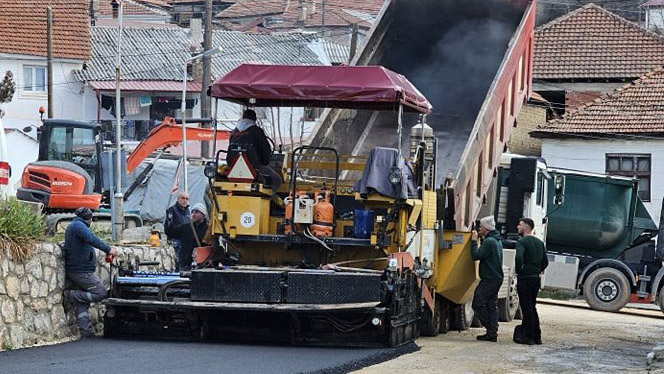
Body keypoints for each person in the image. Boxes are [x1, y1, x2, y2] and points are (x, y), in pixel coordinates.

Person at [63, 207, 117, 338]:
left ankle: (86, 332)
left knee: (83, 302)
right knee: (100, 293)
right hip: (81, 271)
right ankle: (71, 295)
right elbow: (92, 239)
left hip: (80, 269)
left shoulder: (76, 225)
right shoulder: (78, 226)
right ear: (89, 218)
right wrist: (108, 249)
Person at [227, 109, 281, 193]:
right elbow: (265, 149)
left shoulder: (234, 132)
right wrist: (265, 162)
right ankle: (269, 201)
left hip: (234, 168)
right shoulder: (257, 131)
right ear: (254, 119)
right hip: (253, 167)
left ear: (243, 117)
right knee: (277, 180)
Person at [514, 217, 549, 345]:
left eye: (520, 225)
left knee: (526, 308)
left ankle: (528, 337)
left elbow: (518, 258)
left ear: (526, 227)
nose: (518, 227)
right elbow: (545, 262)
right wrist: (538, 270)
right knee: (532, 307)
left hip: (525, 278)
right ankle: (537, 336)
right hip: (535, 279)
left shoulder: (522, 242)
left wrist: (520, 271)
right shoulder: (540, 243)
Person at [471, 215, 504, 342]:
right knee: (491, 305)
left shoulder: (489, 242)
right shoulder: (497, 240)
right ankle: (492, 333)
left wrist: (474, 242)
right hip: (496, 278)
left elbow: (476, 255)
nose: (479, 229)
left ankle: (490, 328)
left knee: (477, 303)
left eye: (481, 227)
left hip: (489, 278)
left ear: (486, 228)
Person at [165, 203, 209, 271]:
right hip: (185, 265)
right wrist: (168, 221)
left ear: (203, 215)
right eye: (192, 212)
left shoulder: (208, 230)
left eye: (196, 212)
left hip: (202, 266)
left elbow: (212, 248)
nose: (193, 214)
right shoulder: (186, 228)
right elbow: (171, 233)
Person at [164, 192, 191, 271]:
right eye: (182, 198)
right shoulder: (172, 210)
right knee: (177, 262)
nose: (184, 200)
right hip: (176, 240)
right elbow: (168, 227)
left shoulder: (187, 211)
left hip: (186, 241)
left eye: (186, 199)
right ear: (178, 199)